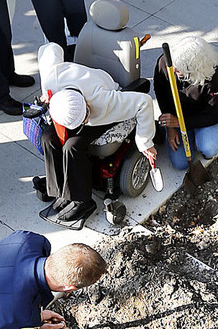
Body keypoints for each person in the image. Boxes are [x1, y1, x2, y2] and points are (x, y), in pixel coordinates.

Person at [34, 41, 157, 228]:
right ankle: (59, 191)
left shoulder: (105, 100)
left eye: (84, 118)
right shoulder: (51, 80)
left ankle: (82, 200)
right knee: (48, 138)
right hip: (62, 109)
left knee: (73, 145)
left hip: (103, 112)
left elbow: (144, 102)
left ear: (85, 105)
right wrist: (46, 95)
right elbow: (50, 48)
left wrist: (145, 141)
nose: (83, 122)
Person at [154, 34, 218, 171]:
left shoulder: (212, 78)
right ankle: (192, 136)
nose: (174, 70)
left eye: (181, 68)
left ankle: (201, 136)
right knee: (181, 163)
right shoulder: (166, 63)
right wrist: (170, 126)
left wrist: (180, 122)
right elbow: (160, 93)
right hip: (177, 116)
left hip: (203, 116)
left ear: (195, 68)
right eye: (175, 65)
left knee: (209, 149)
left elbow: (214, 114)